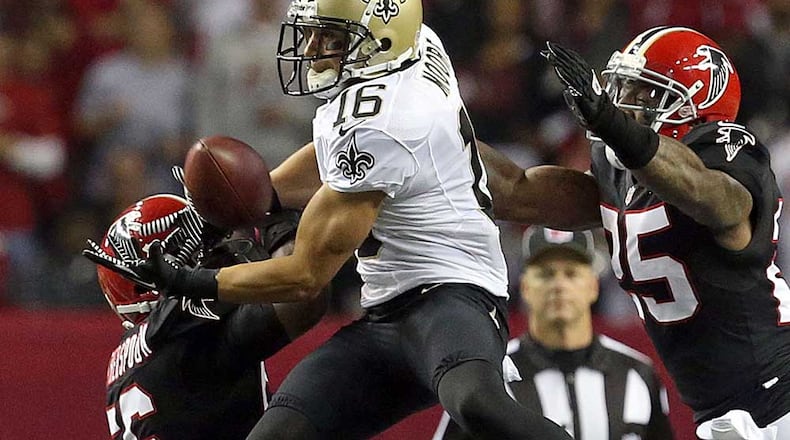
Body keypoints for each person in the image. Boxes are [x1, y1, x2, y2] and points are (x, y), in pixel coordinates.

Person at [83, 0, 573, 439]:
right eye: (316, 34)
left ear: (378, 42)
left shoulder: (385, 122)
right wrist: (263, 194)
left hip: (452, 291)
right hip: (386, 309)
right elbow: (331, 156)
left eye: (332, 39)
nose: (314, 49)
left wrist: (195, 279)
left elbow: (304, 277)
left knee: (475, 401)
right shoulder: (411, 50)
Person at [474, 26, 790, 439]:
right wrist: (438, 127)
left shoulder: (725, 150)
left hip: (777, 397)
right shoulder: (617, 172)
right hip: (727, 411)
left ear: (695, 103)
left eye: (644, 95)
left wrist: (612, 123)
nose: (626, 105)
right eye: (623, 90)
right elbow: (517, 192)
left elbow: (709, 196)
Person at [91, 188, 326, 439]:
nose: (222, 247)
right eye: (202, 247)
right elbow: (304, 299)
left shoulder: (125, 360)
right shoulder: (182, 329)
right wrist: (278, 222)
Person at [434, 226, 674, 440]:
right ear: (525, 287)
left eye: (571, 273)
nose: (559, 285)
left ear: (593, 285)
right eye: (546, 274)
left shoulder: (637, 372)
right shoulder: (490, 374)